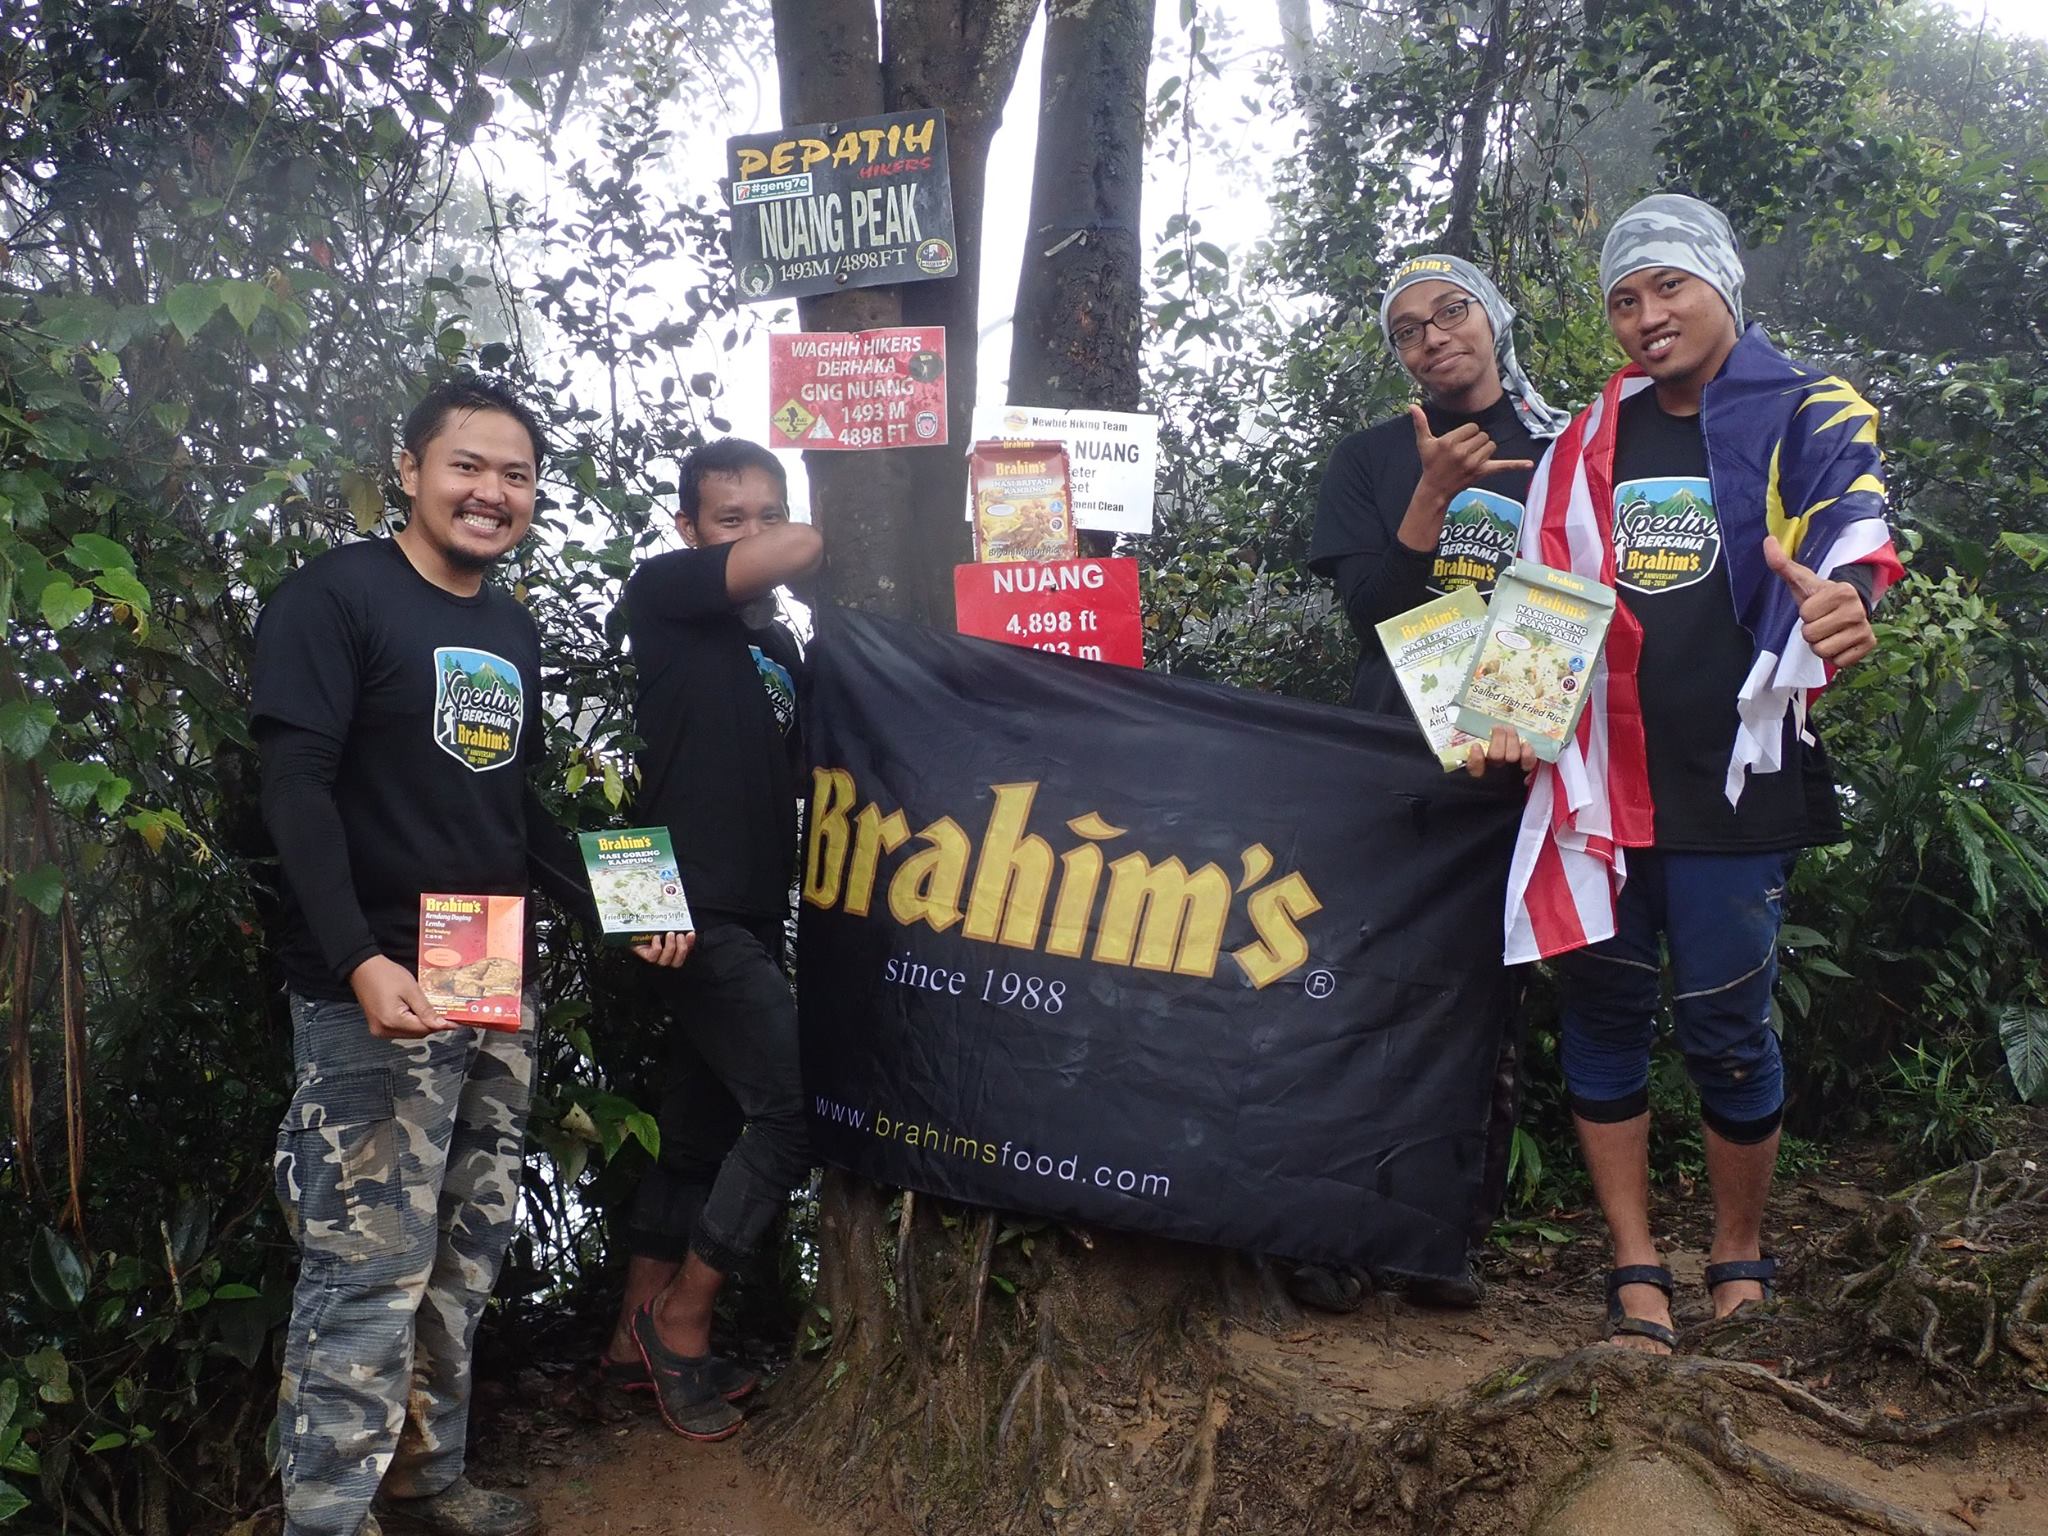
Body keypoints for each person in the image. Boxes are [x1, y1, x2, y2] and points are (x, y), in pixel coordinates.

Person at [254, 376, 688, 1536]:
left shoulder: (506, 626)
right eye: (467, 466)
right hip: (375, 979)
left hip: (485, 966)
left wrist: (626, 901)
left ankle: (424, 1485)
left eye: (515, 475)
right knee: (366, 1271)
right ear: (409, 470)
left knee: (462, 1253)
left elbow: (512, 811)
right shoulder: (334, 597)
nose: (491, 493)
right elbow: (292, 791)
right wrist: (352, 958)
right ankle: (322, 1522)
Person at [1481, 194, 1901, 1353]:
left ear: (1720, 284)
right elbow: (1541, 588)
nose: (1645, 315)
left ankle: (1736, 1247)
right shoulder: (1584, 440)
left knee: (1727, 1030)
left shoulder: (1802, 407)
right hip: (1596, 793)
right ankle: (1631, 1263)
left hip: (1732, 790)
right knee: (1604, 1021)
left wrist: (1847, 600)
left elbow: (1851, 516)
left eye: (1668, 286)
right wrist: (1513, 715)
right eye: (1623, 298)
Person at [1305, 253, 1569, 1311]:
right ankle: (1329, 1226)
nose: (1431, 337)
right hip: (1388, 756)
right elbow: (1367, 611)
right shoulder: (1369, 458)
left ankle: (1436, 1239)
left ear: (1492, 318)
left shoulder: (1566, 447)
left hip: (1513, 758)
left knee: (1478, 1004)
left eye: (1448, 311)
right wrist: (1428, 496)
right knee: (1357, 993)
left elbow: (1577, 590)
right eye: (1407, 330)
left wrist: (1519, 729)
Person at [596, 438, 821, 1441]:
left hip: (749, 914)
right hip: (683, 918)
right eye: (734, 519)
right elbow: (605, 768)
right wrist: (641, 912)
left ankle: (621, 1344)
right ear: (690, 530)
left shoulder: (777, 649)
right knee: (791, 1110)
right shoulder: (662, 595)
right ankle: (679, 1324)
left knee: (697, 1129)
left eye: (770, 512)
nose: (759, 534)